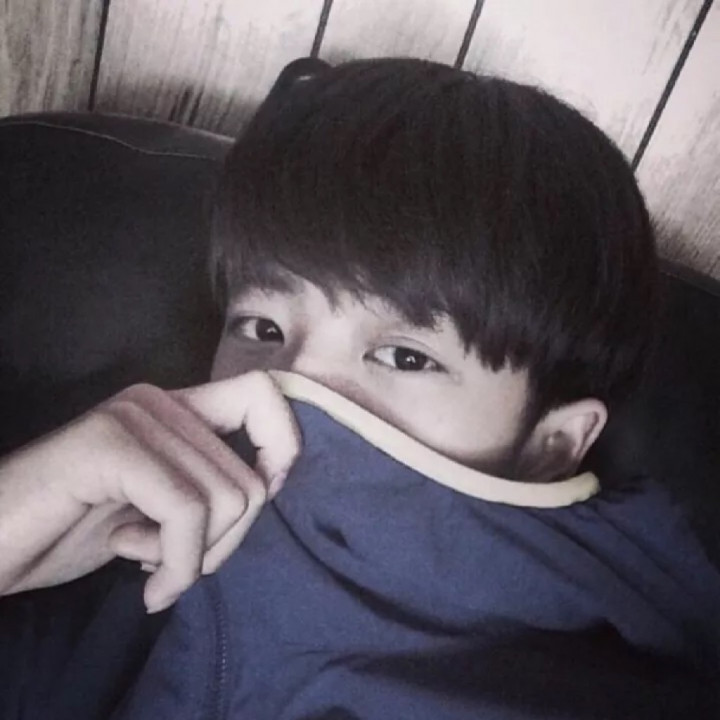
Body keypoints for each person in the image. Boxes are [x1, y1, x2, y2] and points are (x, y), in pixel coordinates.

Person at [0, 58, 718, 719]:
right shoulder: (121, 548)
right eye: (262, 326)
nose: (289, 386)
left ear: (551, 445)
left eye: (405, 357)